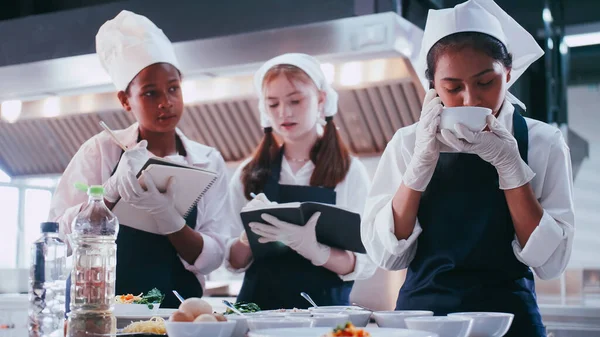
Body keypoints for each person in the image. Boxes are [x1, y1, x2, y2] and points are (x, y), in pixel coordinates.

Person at [361, 0, 574, 335]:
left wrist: (511, 166)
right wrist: (419, 166)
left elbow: (551, 263)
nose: (470, 100)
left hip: (511, 323)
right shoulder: (406, 143)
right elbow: (388, 257)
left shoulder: (543, 141)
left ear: (507, 72)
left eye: (485, 82)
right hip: (421, 324)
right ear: (432, 86)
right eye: (453, 87)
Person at [48, 10, 232, 308]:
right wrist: (106, 196)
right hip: (99, 309)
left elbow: (214, 257)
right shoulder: (101, 151)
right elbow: (58, 240)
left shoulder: (207, 161)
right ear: (125, 100)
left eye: (173, 88)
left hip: (176, 312)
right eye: (150, 93)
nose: (166, 102)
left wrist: (170, 220)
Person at [225, 53, 377, 310]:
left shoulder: (350, 171)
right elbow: (233, 262)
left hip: (323, 316)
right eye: (273, 104)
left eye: (295, 100)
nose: (284, 112)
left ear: (320, 99)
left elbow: (364, 260)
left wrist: (317, 251)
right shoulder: (248, 173)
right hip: (258, 314)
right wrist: (244, 240)